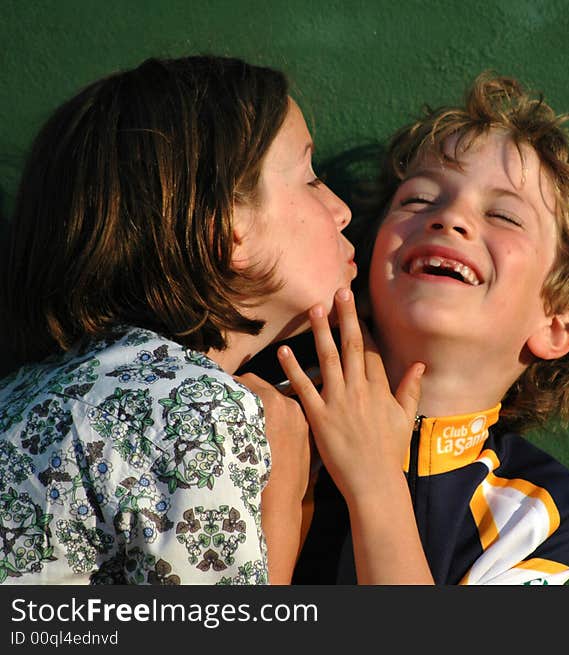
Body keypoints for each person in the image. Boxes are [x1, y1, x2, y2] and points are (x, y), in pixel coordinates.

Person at [244, 71, 569, 584]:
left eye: (504, 215)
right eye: (419, 200)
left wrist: (375, 479)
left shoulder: (539, 514)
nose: (450, 218)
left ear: (558, 325)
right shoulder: (257, 407)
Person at [0, 55, 356, 584]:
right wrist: (283, 500)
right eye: (310, 178)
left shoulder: (21, 389)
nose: (342, 210)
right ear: (227, 227)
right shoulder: (197, 411)